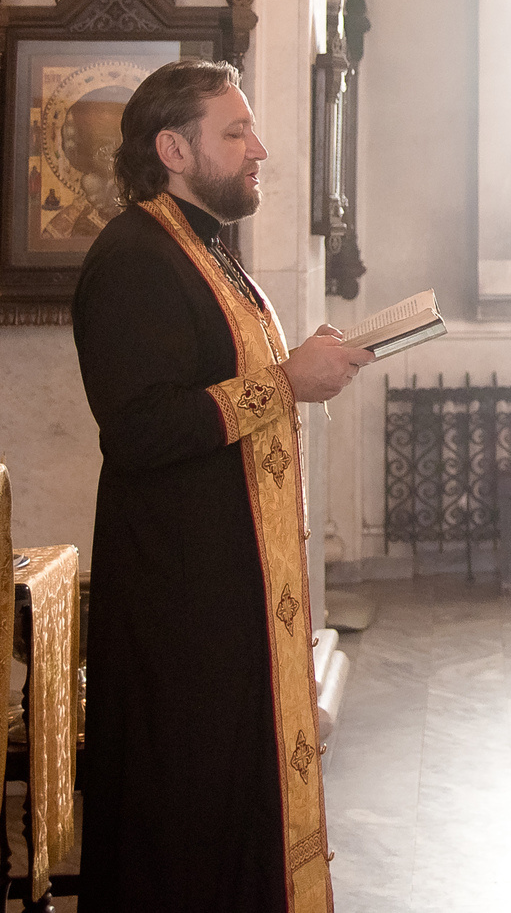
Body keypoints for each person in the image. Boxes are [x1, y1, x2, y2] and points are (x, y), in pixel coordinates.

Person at [74, 60, 375, 913]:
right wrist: (288, 382)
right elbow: (139, 428)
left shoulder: (202, 247)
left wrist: (300, 365)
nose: (259, 148)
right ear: (173, 149)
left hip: (230, 598)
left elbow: (224, 384)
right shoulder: (133, 257)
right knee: (185, 828)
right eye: (235, 132)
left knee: (235, 816)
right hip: (180, 611)